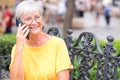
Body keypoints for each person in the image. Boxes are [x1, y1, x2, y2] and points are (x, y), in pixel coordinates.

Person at [9, 0, 73, 80]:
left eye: (37, 17)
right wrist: (19, 47)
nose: (34, 22)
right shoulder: (17, 48)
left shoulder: (58, 44)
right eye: (28, 19)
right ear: (19, 23)